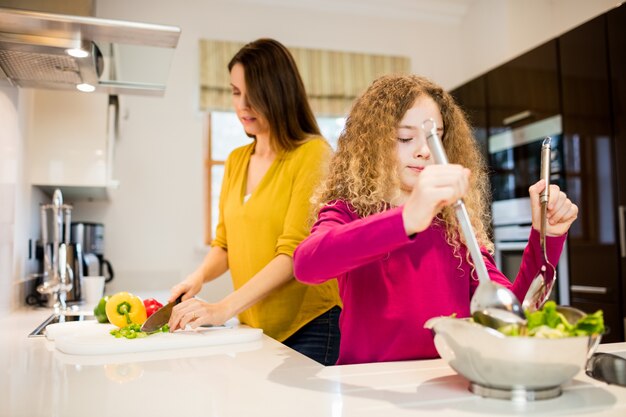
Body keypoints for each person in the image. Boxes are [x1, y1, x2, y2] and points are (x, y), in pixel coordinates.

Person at [293, 74, 578, 365]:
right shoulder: (347, 211)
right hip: (372, 390)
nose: (424, 151)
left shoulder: (455, 224)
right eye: (405, 138)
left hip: (447, 383)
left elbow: (510, 311)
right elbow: (307, 264)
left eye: (434, 137)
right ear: (372, 143)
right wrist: (405, 219)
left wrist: (546, 238)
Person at [168, 38, 341, 366]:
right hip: (254, 324)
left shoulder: (313, 155)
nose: (242, 105)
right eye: (235, 92)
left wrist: (221, 308)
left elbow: (294, 254)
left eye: (253, 94)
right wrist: (198, 278)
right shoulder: (236, 160)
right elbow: (225, 245)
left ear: (279, 93)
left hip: (310, 324)